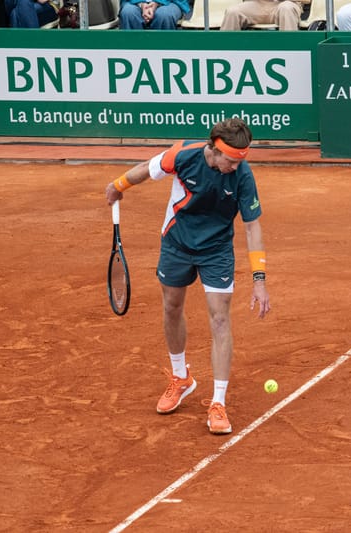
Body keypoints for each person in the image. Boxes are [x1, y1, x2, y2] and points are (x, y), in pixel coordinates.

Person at [103, 118, 271, 435]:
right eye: (232, 161)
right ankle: (182, 378)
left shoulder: (243, 176)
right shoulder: (183, 155)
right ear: (214, 150)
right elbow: (147, 168)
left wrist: (259, 280)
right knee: (171, 307)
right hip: (177, 242)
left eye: (240, 161)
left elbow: (253, 226)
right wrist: (118, 186)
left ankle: (218, 402)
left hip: (217, 250)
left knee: (220, 319)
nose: (236, 167)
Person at [220, 0, 309, 31]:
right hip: (258, 5)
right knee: (232, 12)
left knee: (286, 9)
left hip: (286, 4)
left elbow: (307, 0)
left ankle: (291, 52)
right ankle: (222, 52)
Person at [118, 0, 190, 29]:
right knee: (128, 13)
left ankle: (166, 54)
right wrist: (141, 4)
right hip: (134, 2)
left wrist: (158, 2)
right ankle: (132, 53)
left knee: (164, 15)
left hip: (170, 2)